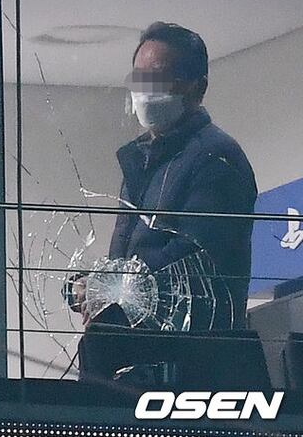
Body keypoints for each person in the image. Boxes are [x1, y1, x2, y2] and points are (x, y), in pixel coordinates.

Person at [73, 22, 258, 381]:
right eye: (140, 77)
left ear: (197, 88)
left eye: (159, 78)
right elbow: (126, 258)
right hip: (129, 353)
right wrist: (91, 286)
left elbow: (192, 261)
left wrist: (113, 287)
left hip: (188, 363)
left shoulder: (216, 158)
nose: (146, 90)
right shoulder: (142, 161)